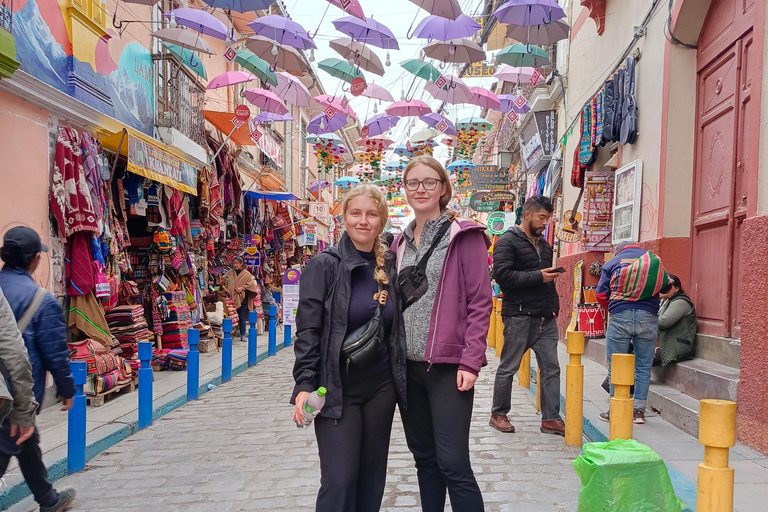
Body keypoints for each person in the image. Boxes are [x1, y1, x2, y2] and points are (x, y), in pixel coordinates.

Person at [291, 184, 406, 512]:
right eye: (356, 213)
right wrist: (304, 384)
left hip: (381, 388)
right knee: (339, 480)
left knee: (372, 477)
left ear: (381, 221)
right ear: (344, 217)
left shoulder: (389, 268)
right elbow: (308, 330)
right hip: (334, 387)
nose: (363, 221)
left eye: (371, 214)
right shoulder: (324, 266)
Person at [393, 156, 491, 512]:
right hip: (408, 367)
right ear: (404, 190)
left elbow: (481, 302)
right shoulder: (398, 243)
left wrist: (471, 360)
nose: (420, 189)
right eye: (413, 183)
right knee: (425, 459)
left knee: (453, 462)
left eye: (429, 182)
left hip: (449, 368)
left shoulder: (463, 235)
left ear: (443, 188)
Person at [0, 227, 76, 512]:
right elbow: (54, 352)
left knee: (25, 439)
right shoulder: (40, 299)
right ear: (34, 260)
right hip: (16, 390)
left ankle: (48, 498)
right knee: (11, 440)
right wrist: (67, 388)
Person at [490, 195, 565, 436]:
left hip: (545, 317)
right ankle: (498, 414)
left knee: (551, 369)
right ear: (528, 215)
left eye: (548, 218)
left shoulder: (545, 246)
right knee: (508, 367)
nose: (545, 223)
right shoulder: (507, 242)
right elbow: (502, 276)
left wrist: (554, 307)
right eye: (542, 218)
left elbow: (549, 281)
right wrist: (538, 276)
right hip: (519, 316)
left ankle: (551, 418)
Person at [596, 241, 670, 424]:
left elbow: (600, 295)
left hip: (620, 317)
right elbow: (667, 288)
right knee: (643, 366)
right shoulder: (652, 262)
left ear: (618, 250)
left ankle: (616, 410)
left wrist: (615, 307)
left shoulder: (612, 264)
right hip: (648, 318)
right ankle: (638, 412)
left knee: (616, 364)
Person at [658, 273, 697, 366]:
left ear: (677, 288)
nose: (662, 289)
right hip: (663, 340)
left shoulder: (680, 302)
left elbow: (662, 322)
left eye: (667, 286)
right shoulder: (663, 301)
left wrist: (646, 318)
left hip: (677, 344)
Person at [224, 256, 258, 341]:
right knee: (231, 316)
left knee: (242, 316)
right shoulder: (230, 272)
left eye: (237, 263)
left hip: (243, 299)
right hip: (232, 299)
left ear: (241, 264)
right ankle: (231, 333)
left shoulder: (246, 274)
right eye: (234, 263)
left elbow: (250, 284)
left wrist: (242, 288)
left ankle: (243, 334)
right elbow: (225, 281)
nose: (235, 265)